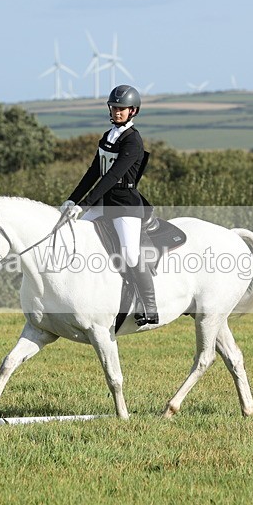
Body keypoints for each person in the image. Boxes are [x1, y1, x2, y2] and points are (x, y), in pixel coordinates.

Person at [60, 84, 158, 325]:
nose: (117, 112)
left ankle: (150, 306)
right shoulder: (108, 136)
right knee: (73, 235)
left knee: (130, 254)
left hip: (125, 205)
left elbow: (112, 176)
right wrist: (73, 199)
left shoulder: (133, 140)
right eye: (114, 108)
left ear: (133, 111)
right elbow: (94, 172)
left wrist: (85, 204)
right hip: (103, 202)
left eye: (122, 109)